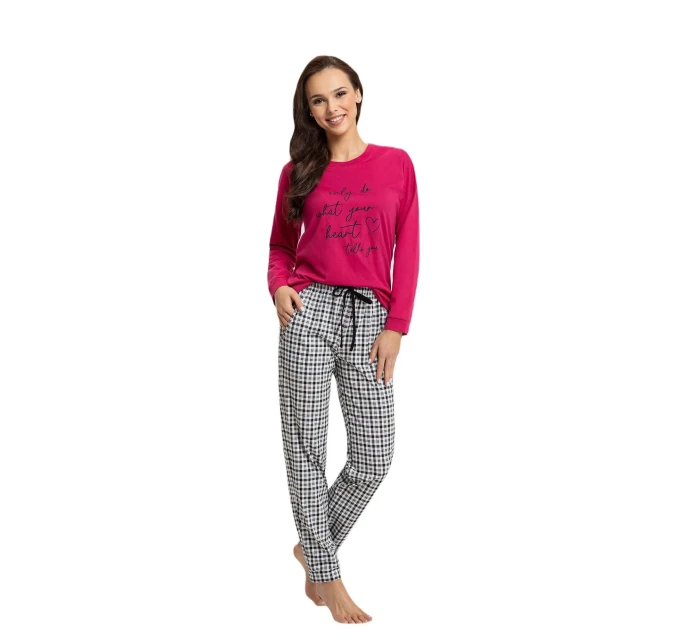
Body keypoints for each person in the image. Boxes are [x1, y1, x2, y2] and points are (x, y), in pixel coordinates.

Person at [267, 55, 420, 624]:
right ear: (309, 111)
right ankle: (328, 578)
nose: (331, 107)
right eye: (318, 100)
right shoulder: (298, 172)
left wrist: (396, 325)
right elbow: (280, 247)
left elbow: (409, 250)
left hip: (369, 317)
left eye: (339, 93)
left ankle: (313, 548)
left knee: (374, 457)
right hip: (309, 312)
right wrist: (279, 288)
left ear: (358, 93)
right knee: (306, 448)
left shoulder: (396, 164)